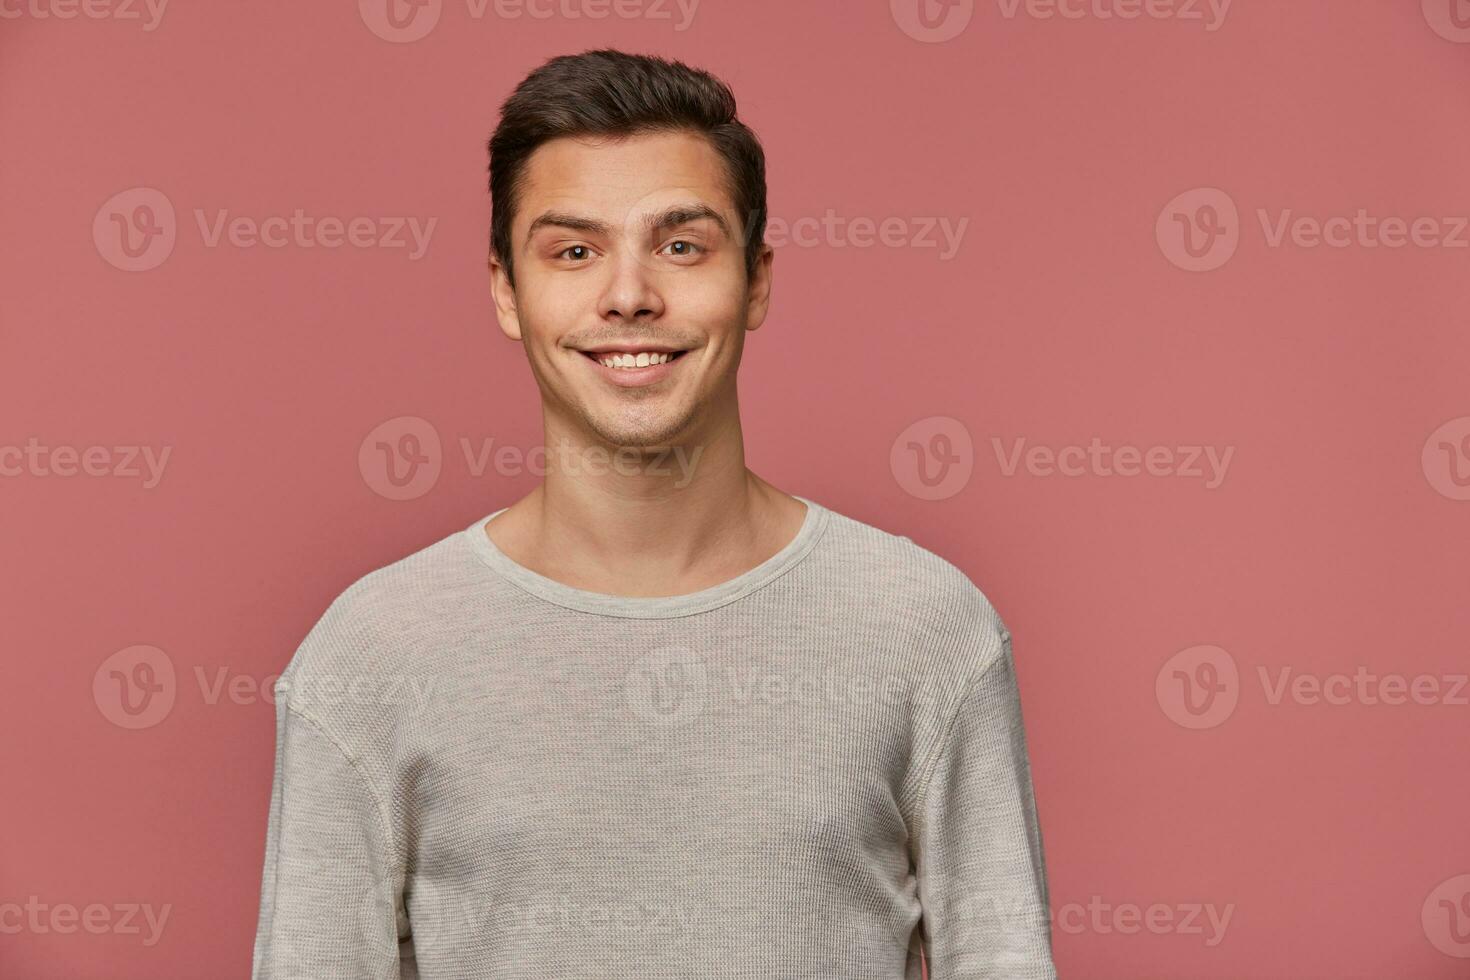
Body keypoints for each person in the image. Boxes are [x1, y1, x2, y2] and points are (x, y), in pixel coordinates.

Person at [251, 47, 1058, 979]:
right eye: (574, 251)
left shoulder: (925, 630)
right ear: (505, 290)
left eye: (681, 246)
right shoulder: (373, 655)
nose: (629, 296)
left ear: (755, 280)